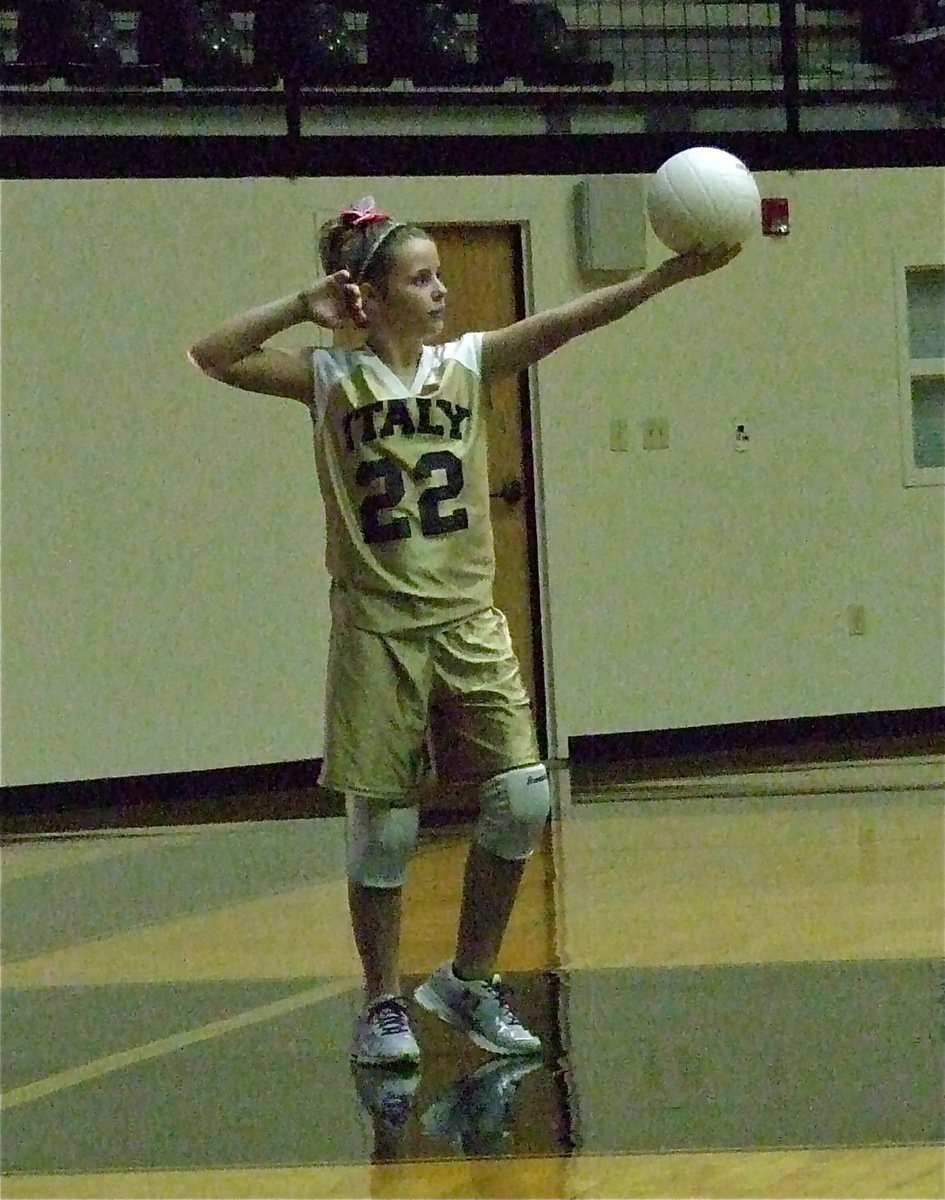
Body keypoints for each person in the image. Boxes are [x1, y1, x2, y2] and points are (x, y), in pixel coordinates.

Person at [188, 197, 738, 1070]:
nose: (442, 290)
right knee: (387, 832)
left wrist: (663, 277)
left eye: (440, 273)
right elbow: (211, 354)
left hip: (467, 620)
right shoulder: (330, 376)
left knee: (522, 797)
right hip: (376, 627)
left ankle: (467, 979)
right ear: (368, 294)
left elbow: (565, 321)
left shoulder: (465, 364)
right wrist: (302, 304)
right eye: (421, 277)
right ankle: (379, 1003)